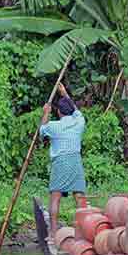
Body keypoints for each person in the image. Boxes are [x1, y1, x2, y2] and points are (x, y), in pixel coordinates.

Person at [40, 83, 86, 242]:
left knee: (55, 197)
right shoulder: (79, 123)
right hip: (75, 161)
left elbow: (42, 129)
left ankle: (53, 233)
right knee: (79, 197)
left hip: (60, 162)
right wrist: (65, 93)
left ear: (58, 112)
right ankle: (83, 232)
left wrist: (46, 113)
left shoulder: (54, 127)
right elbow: (76, 111)